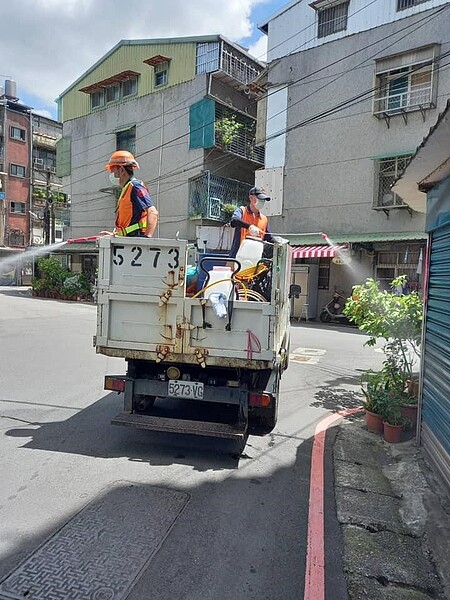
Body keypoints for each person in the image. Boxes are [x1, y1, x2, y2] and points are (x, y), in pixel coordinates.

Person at [101, 150, 158, 237]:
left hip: (135, 239)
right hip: (128, 239)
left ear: (121, 169)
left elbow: (153, 212)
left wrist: (147, 239)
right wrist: (115, 234)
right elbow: (129, 224)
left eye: (113, 170)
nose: (112, 174)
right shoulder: (127, 188)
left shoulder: (135, 186)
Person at [229, 186, 275, 257]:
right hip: (237, 258)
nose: (262, 202)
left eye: (263, 200)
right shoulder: (242, 211)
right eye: (260, 199)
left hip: (255, 259)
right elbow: (234, 221)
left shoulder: (264, 219)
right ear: (251, 198)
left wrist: (279, 241)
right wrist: (249, 226)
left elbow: (269, 238)